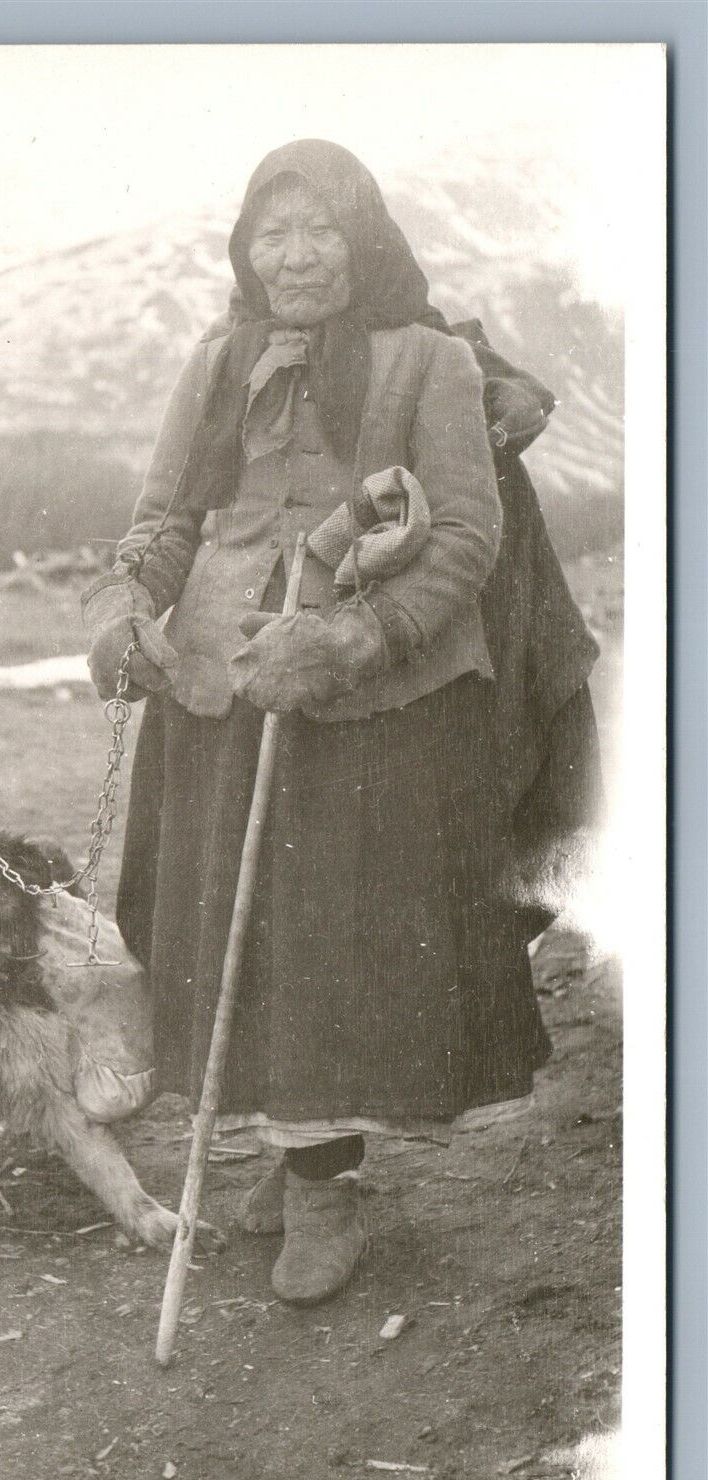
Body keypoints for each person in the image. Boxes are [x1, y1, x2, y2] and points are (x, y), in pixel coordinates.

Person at [82, 139, 601, 1308]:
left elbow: (466, 540)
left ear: (361, 239)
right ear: (245, 251)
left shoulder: (428, 365)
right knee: (240, 925)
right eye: (274, 234)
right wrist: (126, 608)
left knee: (334, 941)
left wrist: (351, 639)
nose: (296, 255)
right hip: (226, 682)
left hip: (381, 703)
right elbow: (164, 520)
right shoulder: (217, 360)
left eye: (319, 231)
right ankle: (292, 1147)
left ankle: (324, 1181)